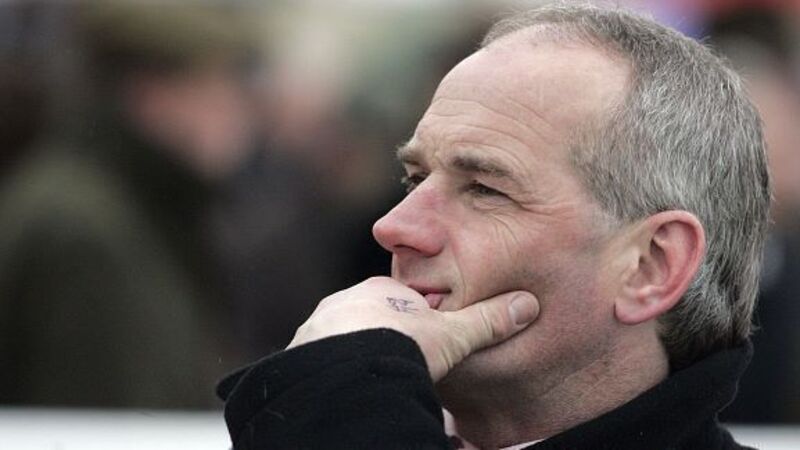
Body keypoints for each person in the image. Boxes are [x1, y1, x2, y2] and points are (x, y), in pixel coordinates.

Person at [217, 4, 769, 449]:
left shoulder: (335, 408)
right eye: (414, 179)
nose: (394, 227)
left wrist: (341, 403)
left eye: (484, 189)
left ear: (650, 266)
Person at [0, 1, 255, 408]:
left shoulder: (131, 206)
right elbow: (98, 424)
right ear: (153, 95)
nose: (239, 108)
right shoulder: (83, 230)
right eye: (220, 84)